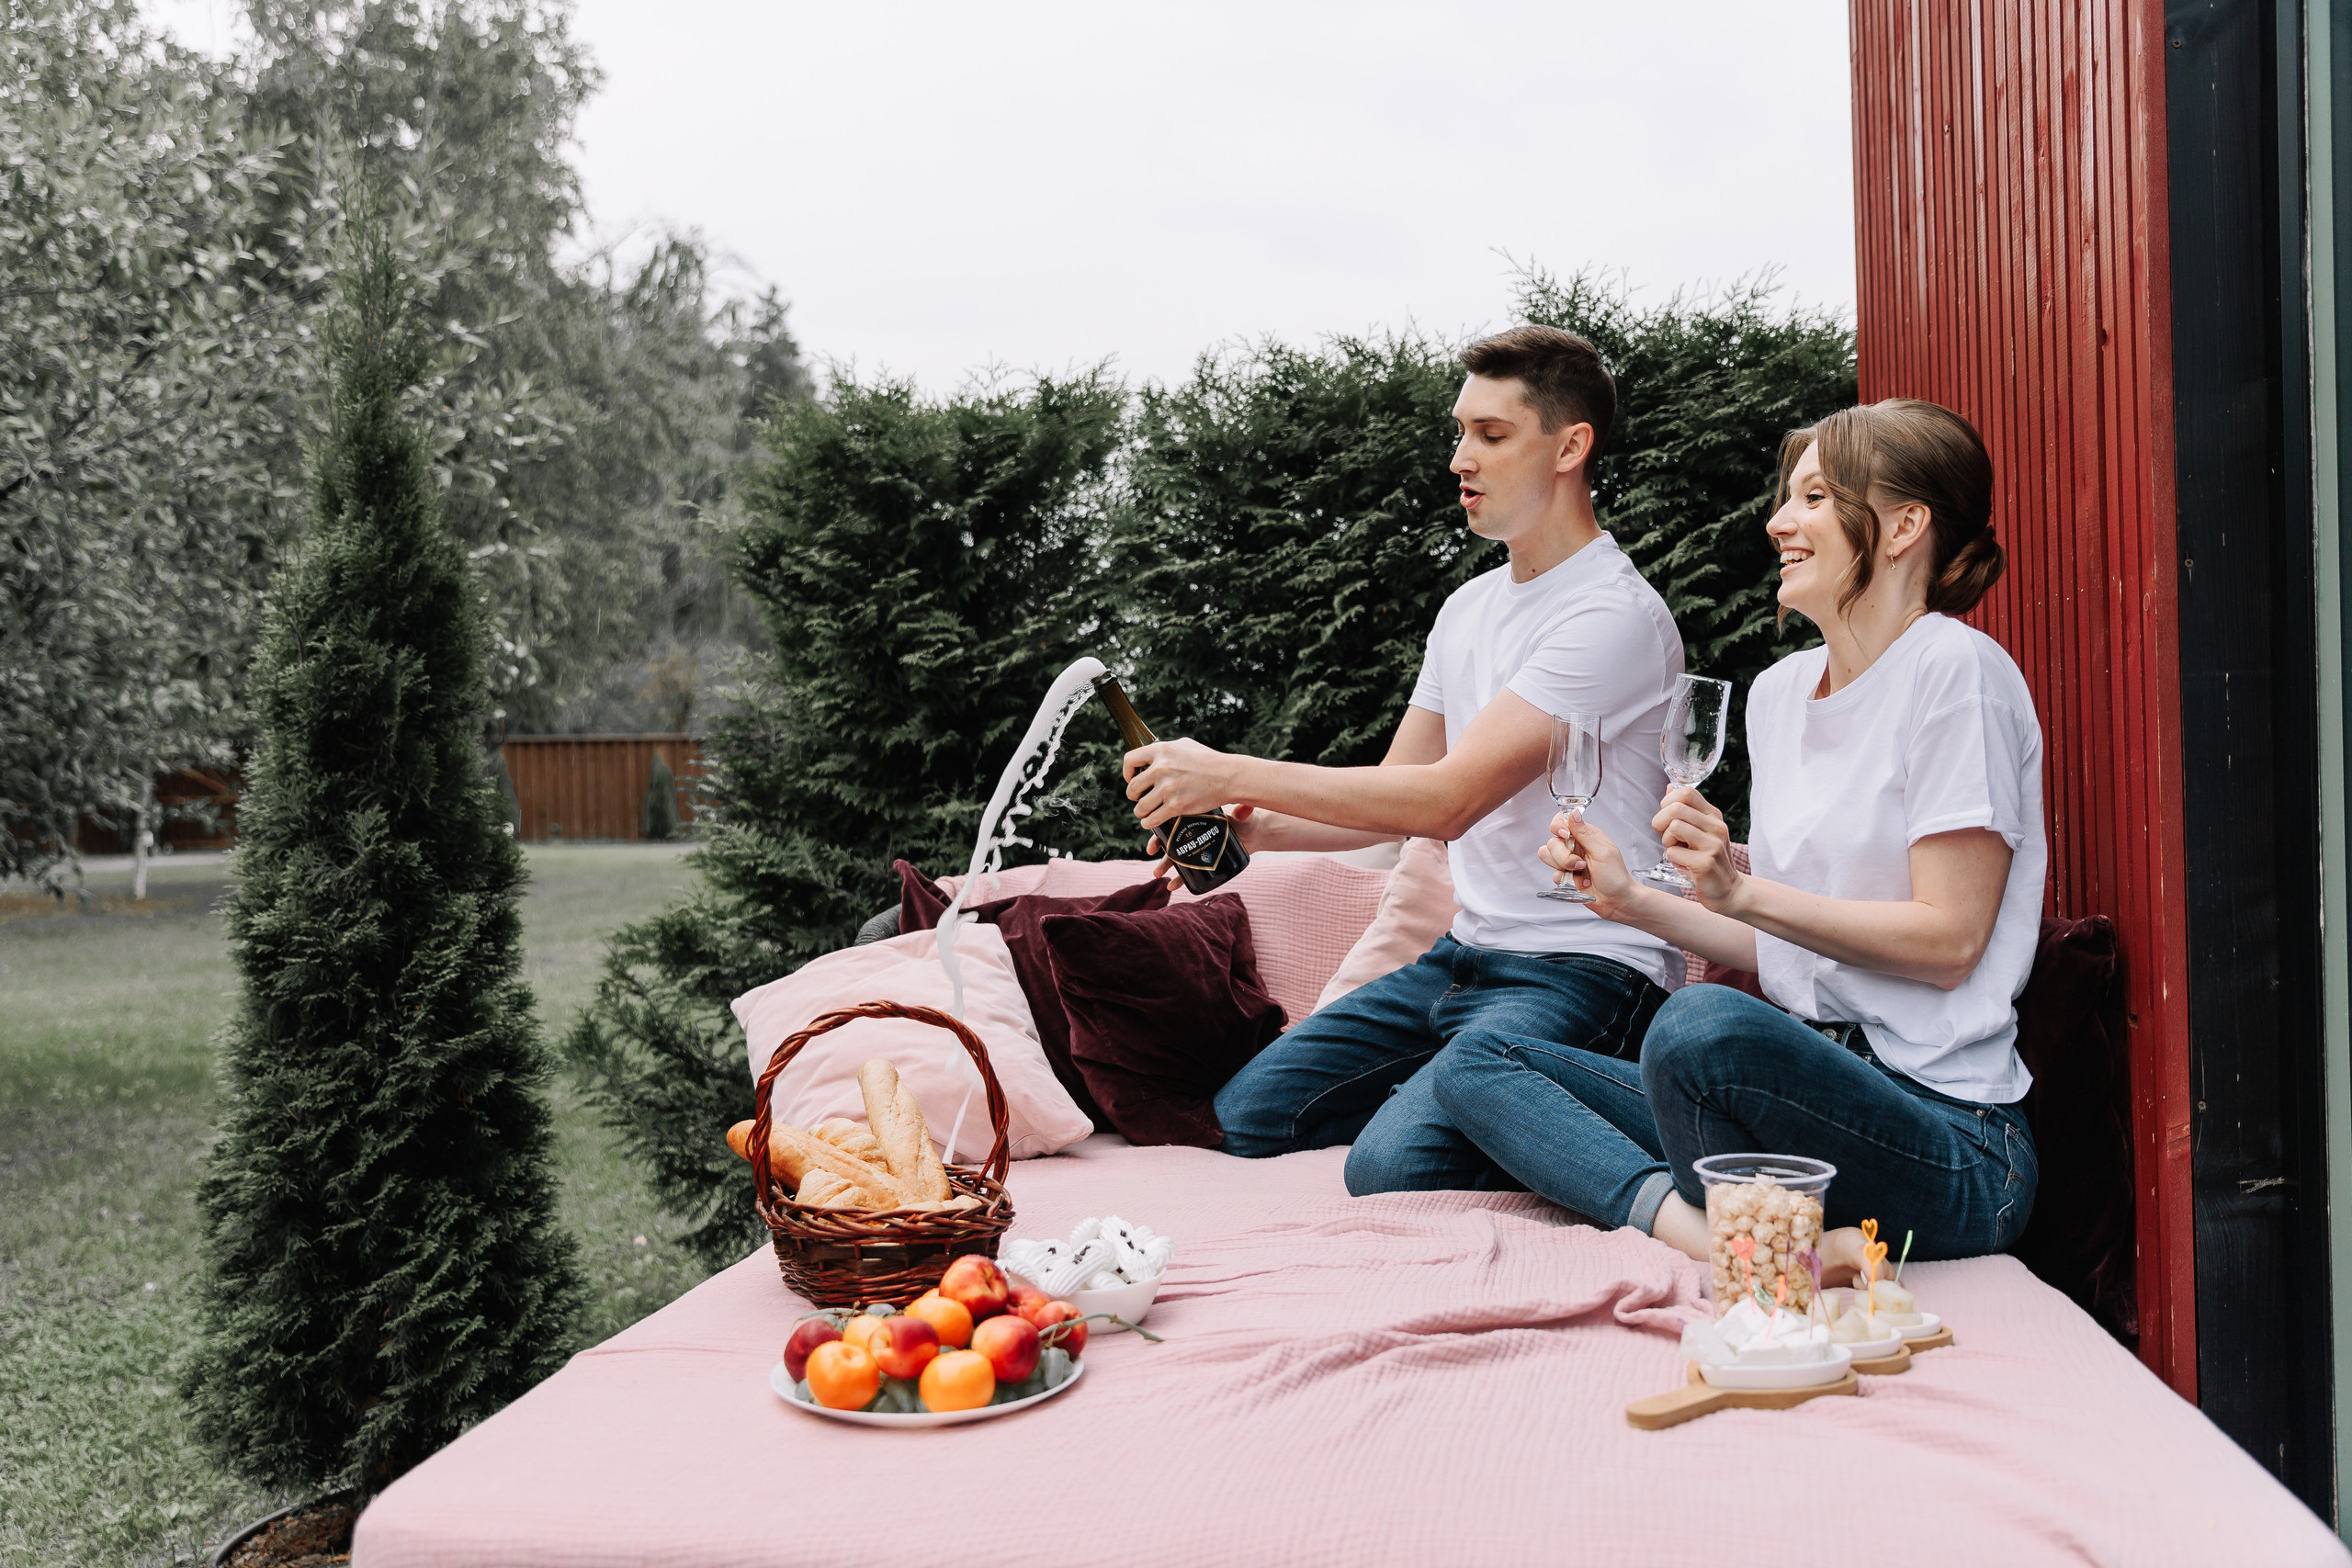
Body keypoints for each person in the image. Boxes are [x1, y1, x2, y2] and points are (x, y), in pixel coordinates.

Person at [1429, 397, 2041, 1268]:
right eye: (1787, 496)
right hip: (1805, 1096)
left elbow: (1949, 941)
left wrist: (1741, 888)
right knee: (1475, 1061)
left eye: (1817, 498)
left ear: (1905, 525)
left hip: (1951, 1139)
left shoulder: (1956, 670)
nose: (1779, 520)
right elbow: (1785, 949)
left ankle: (1746, 1213)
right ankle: (1719, 1234)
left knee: (1699, 1027)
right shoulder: (1781, 694)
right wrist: (1631, 899)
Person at [1116, 324, 1688, 1190]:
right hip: (1463, 956)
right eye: (1459, 431)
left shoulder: (1611, 617)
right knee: (1246, 1120)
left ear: (1571, 447)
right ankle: (1494, 1093)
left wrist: (1229, 769)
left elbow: (1448, 800)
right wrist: (1255, 829)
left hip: (1588, 969)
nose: (1462, 456)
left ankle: (1615, 1107)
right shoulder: (1465, 609)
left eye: (1492, 435)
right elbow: (1395, 798)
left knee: (1390, 1162)